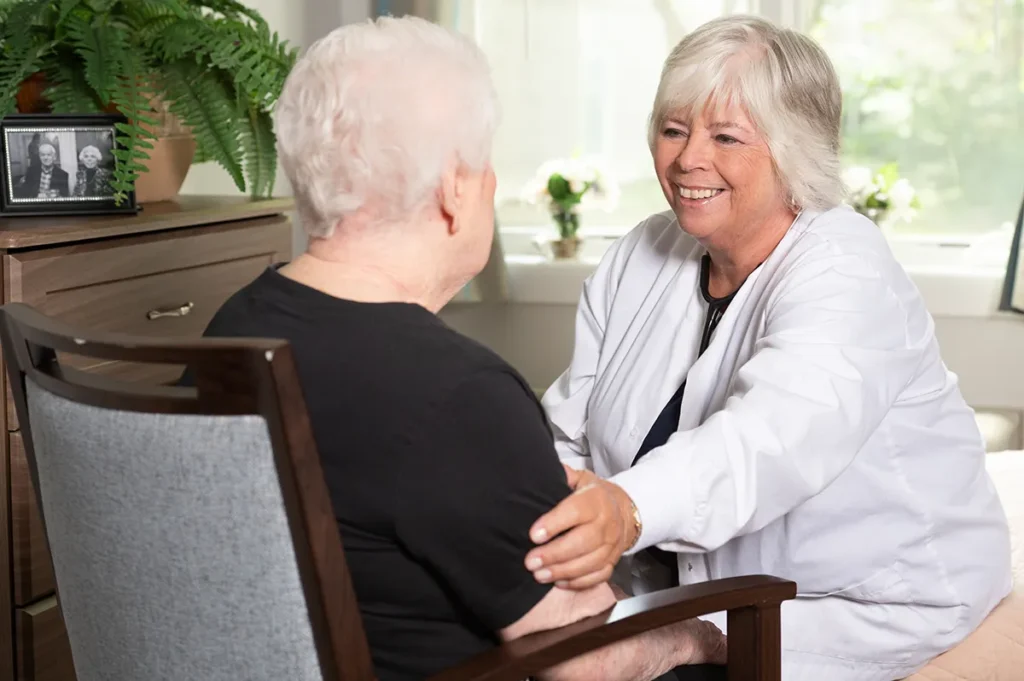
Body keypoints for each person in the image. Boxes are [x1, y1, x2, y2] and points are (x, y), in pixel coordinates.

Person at [180, 16, 725, 681]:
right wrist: (700, 634)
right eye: (485, 161)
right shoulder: (457, 395)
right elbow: (591, 662)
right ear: (452, 188)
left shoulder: (234, 324)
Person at [524, 15, 1012, 681]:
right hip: (684, 588)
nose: (688, 158)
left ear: (797, 153)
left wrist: (626, 507)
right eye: (672, 129)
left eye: (725, 136)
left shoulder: (846, 268)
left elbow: (766, 442)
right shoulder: (644, 251)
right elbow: (570, 431)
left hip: (865, 601)